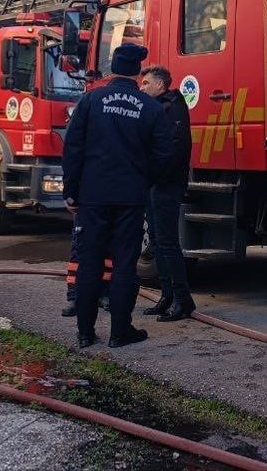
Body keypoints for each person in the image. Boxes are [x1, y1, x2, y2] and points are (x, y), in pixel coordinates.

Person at [62, 43, 173, 348]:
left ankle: (85, 333)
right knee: (125, 265)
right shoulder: (150, 107)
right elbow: (165, 154)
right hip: (130, 198)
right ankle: (120, 332)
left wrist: (71, 192)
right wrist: (144, 181)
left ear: (112, 68)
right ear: (138, 71)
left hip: (92, 196)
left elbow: (72, 147)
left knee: (89, 263)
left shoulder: (91, 100)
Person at [138, 64, 196, 322]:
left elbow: (172, 150)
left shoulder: (172, 108)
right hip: (154, 184)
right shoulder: (158, 107)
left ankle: (183, 301)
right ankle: (167, 296)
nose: (142, 87)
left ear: (160, 85)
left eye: (147, 83)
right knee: (158, 242)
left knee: (168, 242)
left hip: (166, 184)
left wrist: (152, 174)